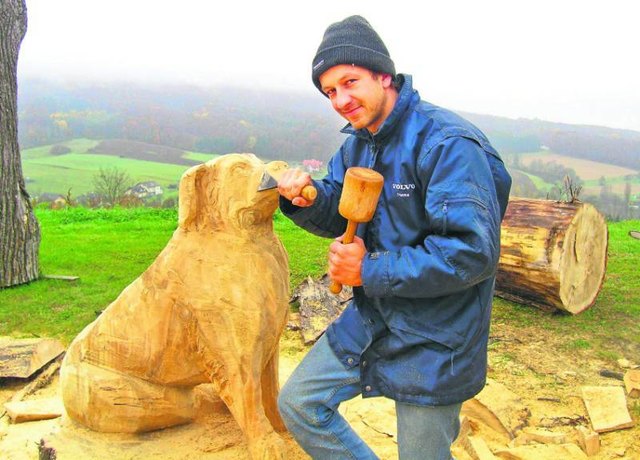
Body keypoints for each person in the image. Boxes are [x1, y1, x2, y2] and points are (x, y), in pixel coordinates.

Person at [276, 15, 512, 460]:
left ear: (384, 75)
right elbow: (343, 210)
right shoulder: (359, 145)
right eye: (330, 92)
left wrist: (366, 269)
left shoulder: (447, 143)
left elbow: (470, 253)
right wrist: (308, 199)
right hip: (376, 316)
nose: (341, 100)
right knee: (301, 404)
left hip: (438, 335)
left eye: (350, 82)